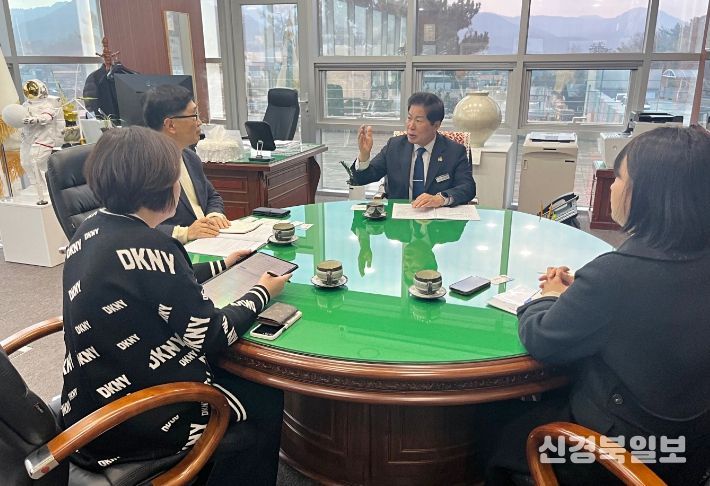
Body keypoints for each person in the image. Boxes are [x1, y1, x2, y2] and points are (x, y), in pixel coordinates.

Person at [60, 126, 292, 485]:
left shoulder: (90, 228)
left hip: (88, 407)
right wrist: (263, 291)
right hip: (139, 418)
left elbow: (152, 279)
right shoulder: (154, 247)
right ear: (162, 188)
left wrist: (223, 265)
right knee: (265, 396)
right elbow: (213, 335)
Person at [485, 126, 710, 485]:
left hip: (620, 453)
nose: (612, 187)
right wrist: (583, 294)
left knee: (495, 431)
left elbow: (542, 338)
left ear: (646, 196)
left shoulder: (615, 276)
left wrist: (549, 295)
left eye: (619, 178)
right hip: (688, 449)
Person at [351, 92, 475, 208]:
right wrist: (364, 155)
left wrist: (440, 199)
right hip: (400, 218)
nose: (411, 126)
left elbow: (468, 187)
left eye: (418, 121)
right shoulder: (394, 146)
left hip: (436, 218)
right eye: (409, 118)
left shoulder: (454, 151)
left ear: (436, 125)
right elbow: (363, 179)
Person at [143, 84, 229, 244]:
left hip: (209, 241)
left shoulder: (191, 157)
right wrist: (185, 233)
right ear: (170, 125)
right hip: (173, 249)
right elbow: (134, 224)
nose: (200, 122)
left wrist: (214, 215)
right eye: (194, 116)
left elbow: (212, 196)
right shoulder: (144, 166)